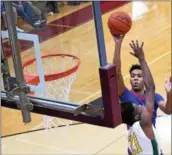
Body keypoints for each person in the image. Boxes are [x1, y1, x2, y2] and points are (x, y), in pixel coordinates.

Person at [113, 35, 172, 127]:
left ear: (145, 80)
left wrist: (169, 94)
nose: (135, 78)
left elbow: (168, 110)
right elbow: (116, 73)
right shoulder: (125, 95)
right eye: (132, 76)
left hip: (150, 138)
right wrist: (118, 43)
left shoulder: (155, 96)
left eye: (139, 76)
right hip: (136, 137)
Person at [121, 40, 164, 155]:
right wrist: (141, 58)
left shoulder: (130, 132)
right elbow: (150, 88)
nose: (140, 106)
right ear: (137, 116)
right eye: (138, 108)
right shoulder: (145, 123)